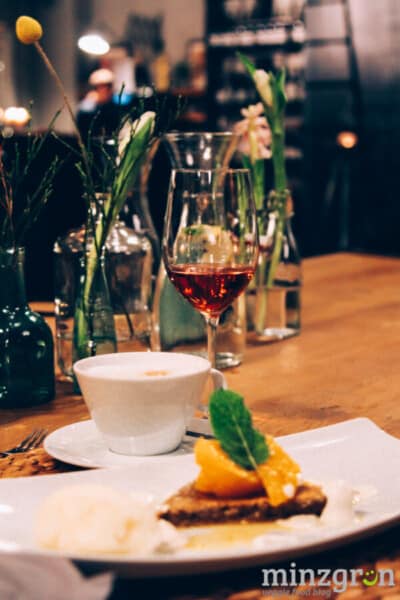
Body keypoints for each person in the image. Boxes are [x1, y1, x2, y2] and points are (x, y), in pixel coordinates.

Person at [77, 68, 122, 140]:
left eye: (108, 87)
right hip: (91, 142)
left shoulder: (114, 106)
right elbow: (82, 129)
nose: (105, 90)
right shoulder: (86, 107)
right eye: (101, 87)